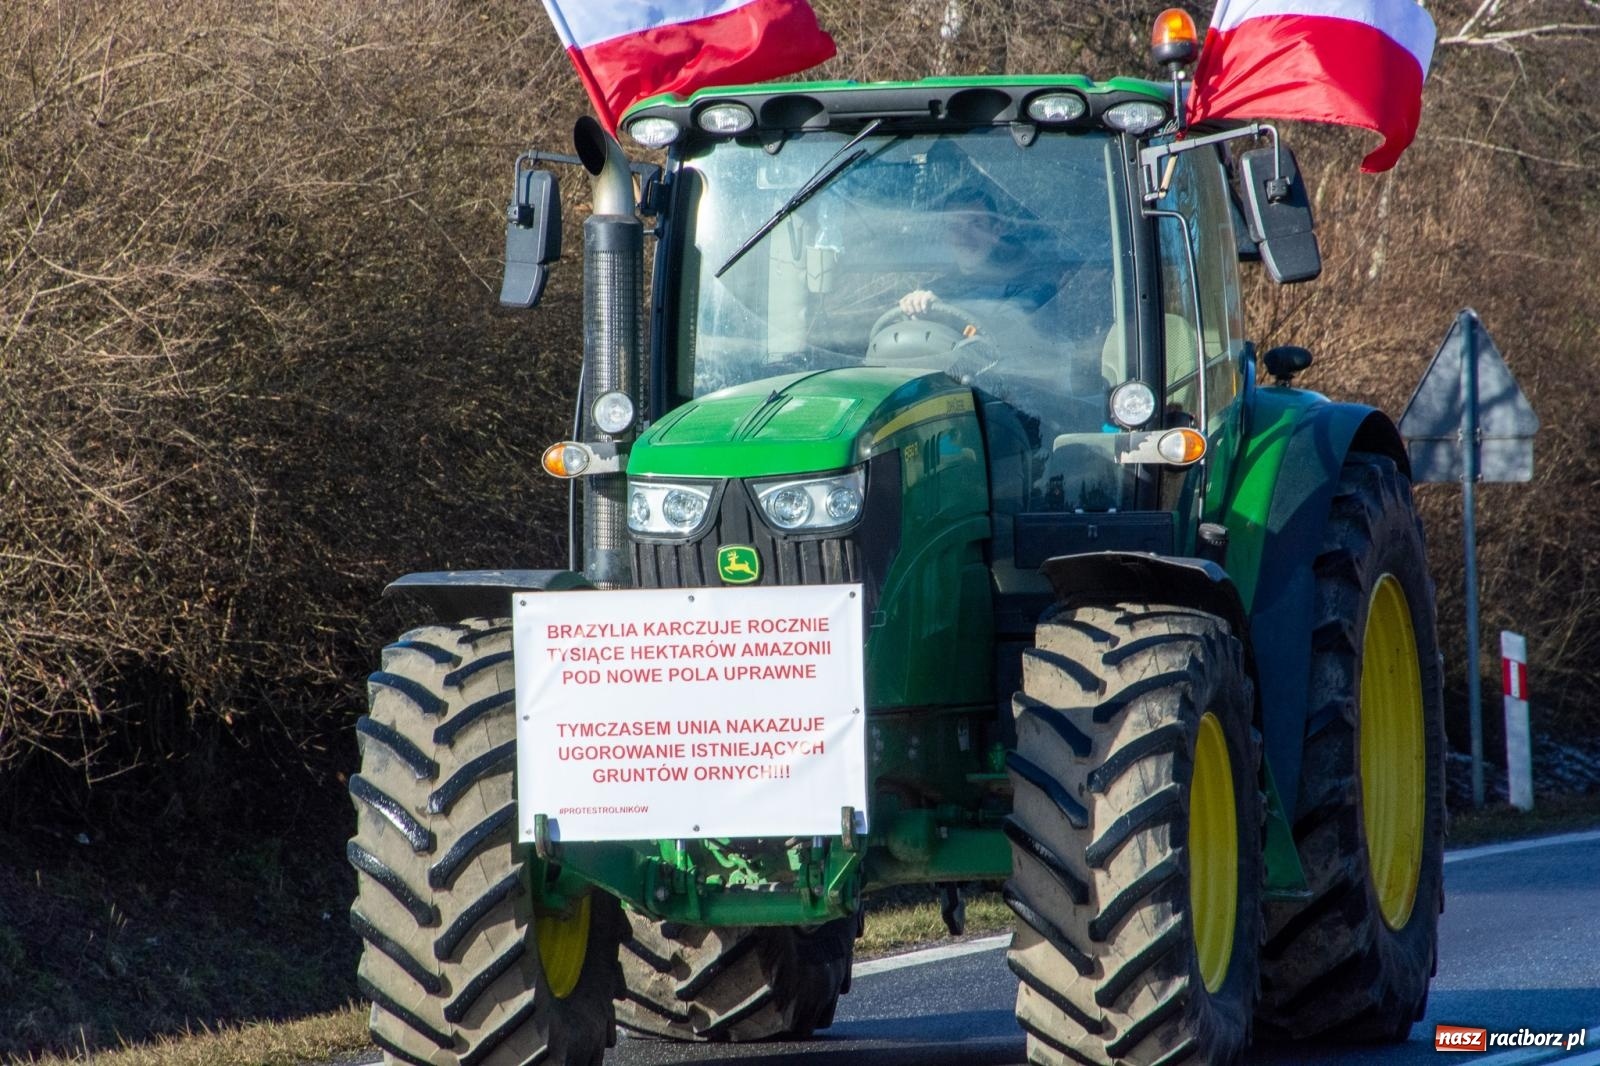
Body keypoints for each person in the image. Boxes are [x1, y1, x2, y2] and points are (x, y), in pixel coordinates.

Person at [897, 187, 1057, 317]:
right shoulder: (934, 290)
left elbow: (1009, 325)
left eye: (976, 225)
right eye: (954, 226)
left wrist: (945, 315)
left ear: (996, 230)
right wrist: (912, 309)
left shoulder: (1031, 286)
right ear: (944, 234)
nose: (964, 236)